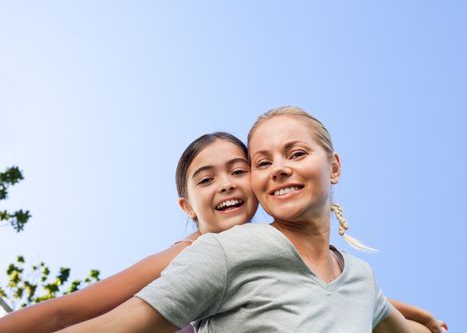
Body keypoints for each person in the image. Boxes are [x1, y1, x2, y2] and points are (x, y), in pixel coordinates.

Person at [50, 106, 446, 332]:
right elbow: (89, 322)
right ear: (186, 205)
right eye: (263, 162)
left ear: (335, 166)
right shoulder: (218, 252)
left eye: (296, 154)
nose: (278, 169)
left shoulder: (360, 277)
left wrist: (420, 318)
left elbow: (341, 295)